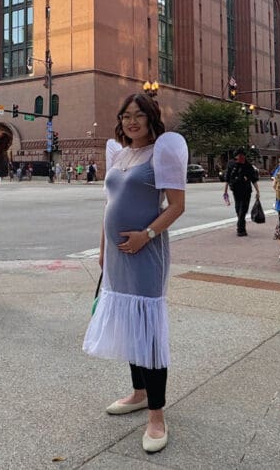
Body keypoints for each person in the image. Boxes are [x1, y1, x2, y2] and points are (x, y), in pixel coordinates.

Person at [83, 93, 187, 454]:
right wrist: (103, 249)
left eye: (138, 115)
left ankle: (156, 416)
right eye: (126, 115)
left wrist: (147, 235)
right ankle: (139, 393)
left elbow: (177, 206)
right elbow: (108, 205)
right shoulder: (119, 153)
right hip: (117, 257)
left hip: (147, 253)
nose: (131, 121)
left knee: (148, 328)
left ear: (151, 118)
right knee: (129, 322)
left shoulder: (163, 151)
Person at [223, 149, 260, 236]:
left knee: (242, 208)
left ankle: (240, 227)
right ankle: (241, 227)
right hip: (238, 190)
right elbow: (227, 179)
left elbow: (253, 180)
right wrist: (225, 191)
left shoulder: (247, 165)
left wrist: (258, 191)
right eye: (239, 157)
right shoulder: (234, 164)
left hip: (244, 190)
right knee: (239, 208)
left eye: (242, 156)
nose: (241, 158)